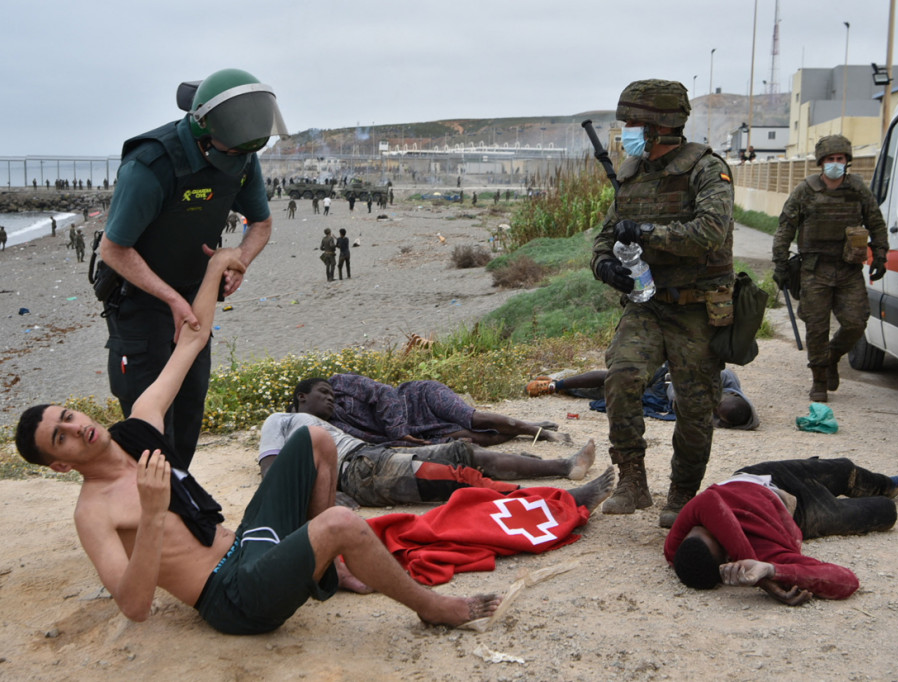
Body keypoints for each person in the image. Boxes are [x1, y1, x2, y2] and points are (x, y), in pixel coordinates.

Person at [14, 248, 500, 634]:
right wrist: (153, 514)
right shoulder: (93, 512)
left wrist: (214, 270)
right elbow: (134, 606)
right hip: (232, 595)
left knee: (315, 439)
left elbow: (190, 342)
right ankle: (431, 607)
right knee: (341, 522)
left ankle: (329, 569)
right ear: (60, 464)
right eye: (62, 437)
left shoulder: (139, 425)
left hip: (249, 543)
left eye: (68, 415)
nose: (78, 427)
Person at [98, 68, 284, 469]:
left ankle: (179, 499)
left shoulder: (242, 154)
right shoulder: (150, 166)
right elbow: (113, 249)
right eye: (233, 152)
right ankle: (147, 513)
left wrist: (240, 261)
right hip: (141, 304)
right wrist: (168, 297)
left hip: (194, 299)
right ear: (203, 133)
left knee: (188, 407)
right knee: (149, 423)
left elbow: (261, 223)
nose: (239, 160)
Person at [589, 79, 735, 526]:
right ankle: (633, 482)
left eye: (633, 123)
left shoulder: (706, 170)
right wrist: (605, 267)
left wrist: (649, 234)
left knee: (694, 405)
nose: (626, 131)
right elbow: (604, 238)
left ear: (659, 126)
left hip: (696, 306)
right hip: (645, 302)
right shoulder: (632, 174)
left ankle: (681, 495)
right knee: (622, 377)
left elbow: (711, 230)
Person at [260, 378, 599, 507]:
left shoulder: (332, 420)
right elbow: (272, 471)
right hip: (362, 468)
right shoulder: (281, 420)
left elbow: (383, 396)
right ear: (300, 397)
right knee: (460, 478)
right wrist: (329, 497)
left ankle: (564, 466)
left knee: (468, 452)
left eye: (333, 394)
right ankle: (562, 500)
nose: (332, 399)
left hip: (379, 455)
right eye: (323, 394)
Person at [664, 457, 898, 605]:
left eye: (701, 527)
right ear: (725, 560)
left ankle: (889, 483)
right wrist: (770, 572)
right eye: (715, 533)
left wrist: (761, 582)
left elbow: (709, 502)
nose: (710, 523)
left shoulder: (678, 544)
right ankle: (886, 495)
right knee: (882, 512)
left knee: (844, 470)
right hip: (801, 512)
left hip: (761, 477)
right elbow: (846, 580)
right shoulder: (767, 556)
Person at [772, 135, 889, 403]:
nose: (835, 164)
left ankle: (833, 356)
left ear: (847, 161)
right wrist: (779, 264)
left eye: (840, 159)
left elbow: (876, 223)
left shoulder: (858, 189)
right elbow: (785, 229)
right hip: (814, 270)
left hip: (848, 269)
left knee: (856, 323)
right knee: (816, 327)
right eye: (830, 160)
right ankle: (819, 380)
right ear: (821, 163)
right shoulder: (805, 191)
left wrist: (880, 255)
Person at [323, 373, 572, 447]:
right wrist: (411, 442)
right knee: (475, 439)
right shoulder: (328, 424)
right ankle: (524, 429)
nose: (326, 397)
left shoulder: (338, 383)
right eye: (321, 395)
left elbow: (384, 393)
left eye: (323, 392)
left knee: (473, 418)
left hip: (418, 398)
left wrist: (397, 431)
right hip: (415, 431)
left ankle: (541, 432)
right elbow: (372, 441)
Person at [527, 366, 759, 430]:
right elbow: (678, 389)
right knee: (617, 376)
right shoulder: (724, 378)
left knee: (608, 393)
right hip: (664, 375)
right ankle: (556, 384)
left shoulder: (720, 413)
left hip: (659, 395)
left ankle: (567, 385)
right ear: (729, 393)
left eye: (717, 413)